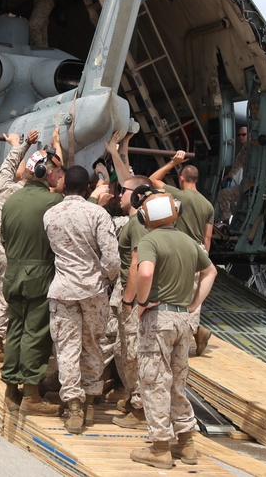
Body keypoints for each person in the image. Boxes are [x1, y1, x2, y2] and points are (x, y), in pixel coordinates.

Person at [125, 190, 217, 469]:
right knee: (177, 382)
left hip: (159, 318)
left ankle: (160, 447)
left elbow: (145, 273)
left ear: (145, 217)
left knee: (154, 382)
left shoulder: (150, 240)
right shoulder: (190, 242)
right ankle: (187, 444)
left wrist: (141, 302)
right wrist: (193, 304)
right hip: (182, 320)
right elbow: (211, 272)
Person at [43, 165, 119, 434]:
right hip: (93, 290)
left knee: (66, 348)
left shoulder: (51, 214)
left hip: (63, 289)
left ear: (64, 187)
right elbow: (111, 257)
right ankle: (88, 398)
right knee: (93, 344)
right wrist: (106, 279)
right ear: (88, 187)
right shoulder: (98, 214)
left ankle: (73, 405)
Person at [0, 147, 65, 416]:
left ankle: (11, 392)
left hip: (13, 274)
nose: (59, 174)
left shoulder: (11, 202)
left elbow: (4, 238)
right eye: (57, 170)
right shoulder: (52, 203)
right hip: (39, 276)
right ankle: (32, 396)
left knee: (14, 330)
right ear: (44, 172)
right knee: (35, 335)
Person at [0, 129, 39, 363]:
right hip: (9, 255)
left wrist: (21, 144)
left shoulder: (3, 186)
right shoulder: (29, 197)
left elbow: (8, 165)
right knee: (4, 298)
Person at [151, 151, 215, 356]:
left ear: (181, 179)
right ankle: (194, 334)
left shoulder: (177, 195)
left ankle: (180, 343)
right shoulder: (208, 205)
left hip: (179, 248)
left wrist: (173, 162)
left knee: (174, 294)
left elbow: (153, 179)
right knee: (194, 298)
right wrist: (204, 258)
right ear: (197, 180)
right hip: (198, 251)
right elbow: (207, 237)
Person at [110, 175, 153, 428]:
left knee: (132, 352)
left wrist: (128, 301)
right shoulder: (136, 221)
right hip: (130, 292)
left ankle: (139, 408)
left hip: (133, 296)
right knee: (122, 349)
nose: (118, 194)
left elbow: (138, 263)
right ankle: (133, 397)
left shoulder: (138, 222)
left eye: (123, 190)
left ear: (135, 194)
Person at [216, 126, 248, 226]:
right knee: (224, 194)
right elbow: (237, 165)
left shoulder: (255, 150)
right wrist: (230, 176)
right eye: (239, 135)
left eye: (243, 134)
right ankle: (226, 223)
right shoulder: (243, 151)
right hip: (245, 186)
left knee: (224, 195)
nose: (241, 137)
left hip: (252, 187)